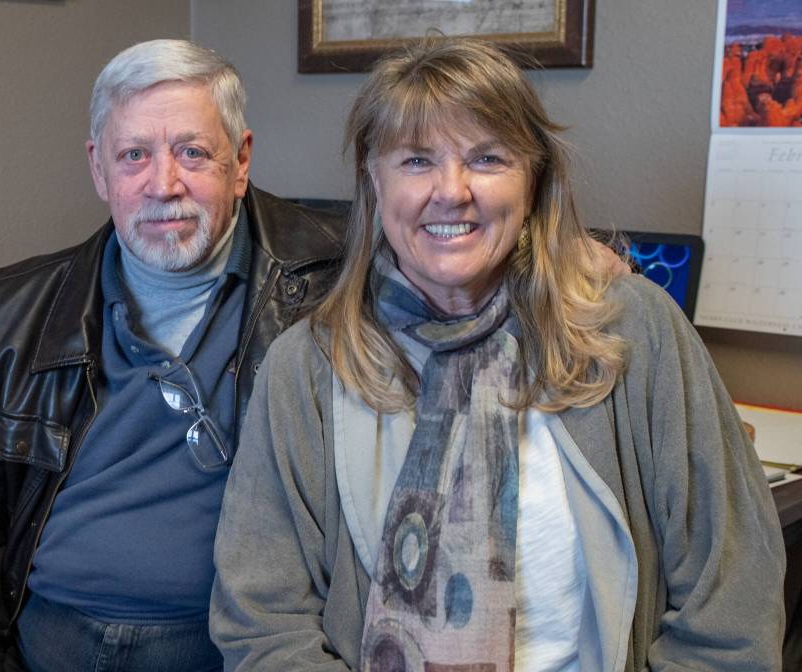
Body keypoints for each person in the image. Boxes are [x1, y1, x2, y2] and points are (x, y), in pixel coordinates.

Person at [210, 40, 786, 671]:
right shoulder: (307, 369)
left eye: (487, 158)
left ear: (534, 179)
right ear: (373, 180)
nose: (451, 191)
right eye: (416, 160)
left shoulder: (632, 332)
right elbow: (262, 624)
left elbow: (732, 597)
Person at [0, 39, 346, 671]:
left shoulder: (336, 284)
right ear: (98, 169)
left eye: (192, 152)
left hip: (231, 646)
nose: (162, 184)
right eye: (133, 155)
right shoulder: (17, 309)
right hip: (49, 638)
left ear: (241, 159)